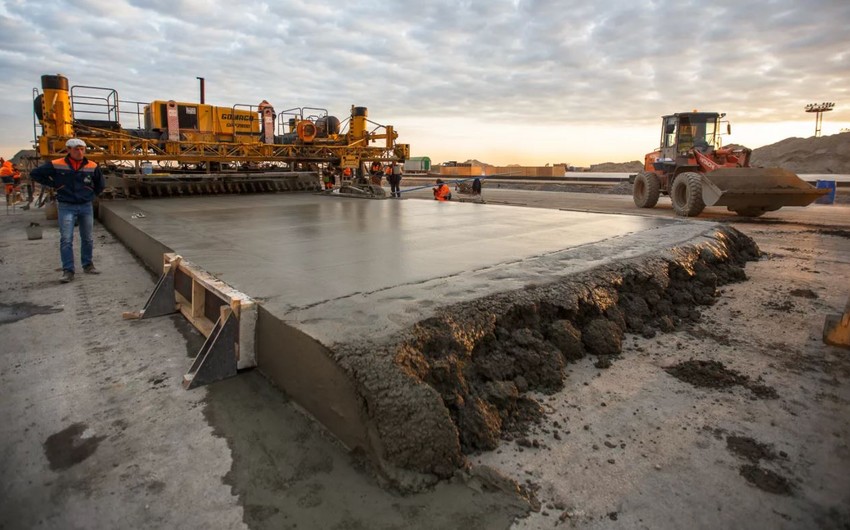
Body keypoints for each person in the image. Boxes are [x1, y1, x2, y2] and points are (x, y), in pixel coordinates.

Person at [30, 138, 105, 283]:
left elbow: (100, 184)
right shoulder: (57, 164)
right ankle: (68, 270)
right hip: (66, 206)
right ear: (68, 150)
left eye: (82, 148)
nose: (80, 151)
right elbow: (35, 174)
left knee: (88, 238)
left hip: (85, 206)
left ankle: (88, 265)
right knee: (66, 239)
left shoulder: (92, 165)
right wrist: (55, 184)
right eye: (76, 149)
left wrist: (90, 194)